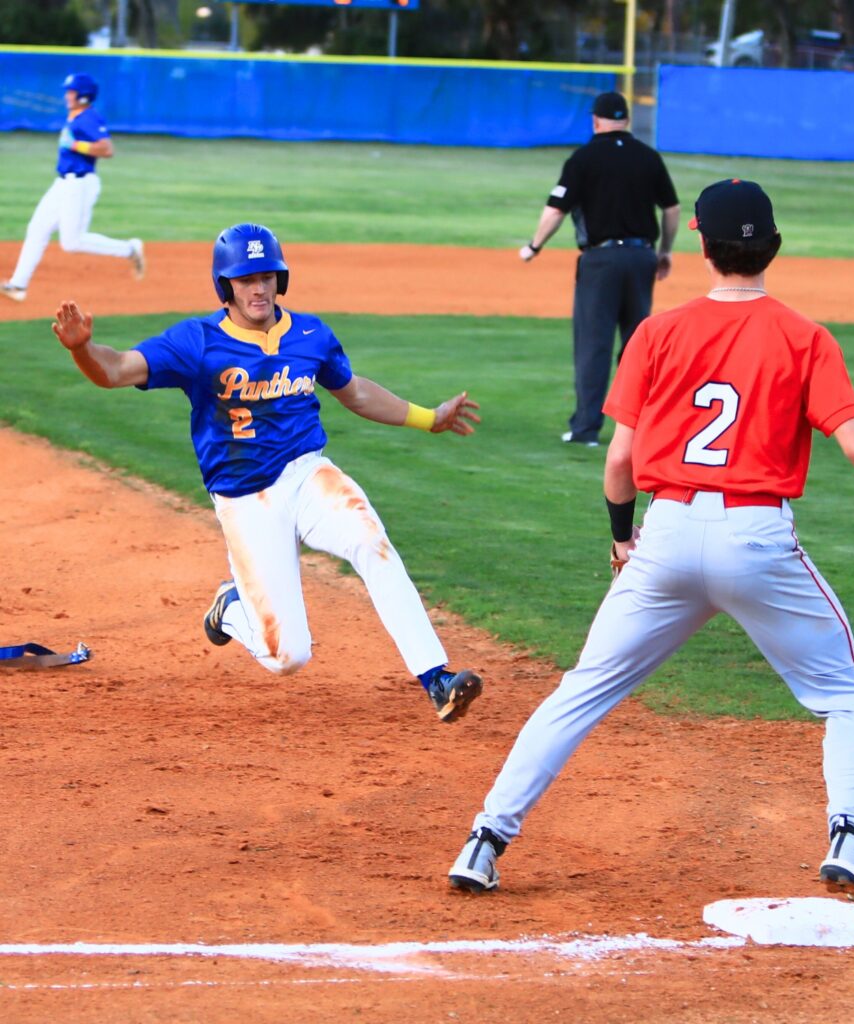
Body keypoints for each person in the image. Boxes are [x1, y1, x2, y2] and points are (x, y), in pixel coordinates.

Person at [449, 179, 854, 912]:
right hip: (756, 537)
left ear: (698, 242)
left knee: (581, 692)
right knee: (847, 698)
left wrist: (623, 540)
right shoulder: (804, 336)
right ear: (773, 249)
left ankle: (485, 839)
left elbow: (620, 463)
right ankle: (848, 838)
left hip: (667, 531)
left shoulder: (657, 333)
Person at [50, 222, 483, 724]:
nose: (258, 288)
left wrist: (429, 418)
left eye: (267, 276)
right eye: (245, 278)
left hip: (307, 474)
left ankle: (436, 679)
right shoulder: (198, 342)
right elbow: (119, 368)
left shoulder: (310, 334)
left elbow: (356, 392)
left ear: (280, 279)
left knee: (372, 540)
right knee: (287, 656)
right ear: (226, 285)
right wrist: (82, 349)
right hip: (244, 499)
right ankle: (230, 608)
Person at [518, 91, 681, 448]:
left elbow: (556, 210)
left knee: (594, 345)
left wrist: (534, 246)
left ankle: (586, 429)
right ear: (626, 120)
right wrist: (665, 251)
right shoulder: (648, 157)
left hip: (601, 261)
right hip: (642, 258)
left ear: (595, 121)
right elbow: (671, 208)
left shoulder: (584, 158)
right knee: (639, 345)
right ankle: (643, 429)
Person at [2, 72, 145, 303]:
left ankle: (130, 249)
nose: (67, 95)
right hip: (63, 183)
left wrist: (76, 144)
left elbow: (107, 149)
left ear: (84, 96)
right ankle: (18, 285)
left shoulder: (89, 118)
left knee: (72, 242)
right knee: (37, 228)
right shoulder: (76, 116)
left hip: (80, 184)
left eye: (71, 91)